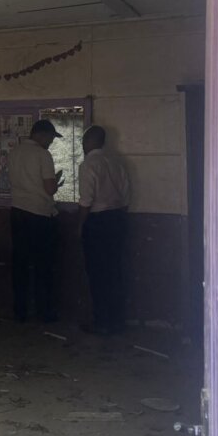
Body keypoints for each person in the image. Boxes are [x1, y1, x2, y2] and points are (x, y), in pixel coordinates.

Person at [6, 119, 63, 322]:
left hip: (17, 212)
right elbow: (49, 189)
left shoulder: (14, 152)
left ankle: (20, 310)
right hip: (39, 215)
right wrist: (56, 183)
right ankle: (44, 311)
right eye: (50, 138)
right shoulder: (42, 154)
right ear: (42, 134)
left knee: (20, 264)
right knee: (43, 265)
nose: (51, 142)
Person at [77, 125, 131, 335]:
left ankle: (102, 322)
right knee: (115, 270)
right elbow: (127, 195)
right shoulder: (117, 164)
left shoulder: (89, 165)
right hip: (118, 219)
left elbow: (86, 201)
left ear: (89, 142)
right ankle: (117, 321)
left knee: (97, 273)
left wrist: (80, 226)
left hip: (97, 222)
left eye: (84, 142)